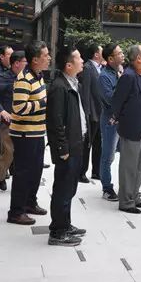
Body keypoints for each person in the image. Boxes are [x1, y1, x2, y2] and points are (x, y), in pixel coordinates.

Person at [110, 45, 141, 214]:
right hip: (131, 126)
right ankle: (126, 201)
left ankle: (134, 195)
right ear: (138, 58)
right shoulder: (128, 76)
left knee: (138, 165)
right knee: (129, 166)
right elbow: (117, 102)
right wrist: (119, 120)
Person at [47, 47, 88, 246]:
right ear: (69, 65)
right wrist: (62, 148)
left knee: (69, 188)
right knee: (63, 189)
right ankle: (58, 232)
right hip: (67, 148)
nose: (83, 61)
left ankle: (65, 224)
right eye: (79, 58)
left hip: (76, 143)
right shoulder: (59, 87)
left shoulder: (72, 83)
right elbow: (55, 121)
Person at [7, 40, 50, 226]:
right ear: (35, 60)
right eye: (45, 55)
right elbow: (19, 108)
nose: (49, 58)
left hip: (37, 132)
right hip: (24, 134)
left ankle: (30, 203)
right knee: (23, 173)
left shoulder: (38, 76)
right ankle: (16, 212)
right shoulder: (24, 79)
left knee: (36, 171)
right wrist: (44, 103)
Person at [0, 50, 27, 191]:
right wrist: (0, 110)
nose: (27, 64)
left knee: (23, 153)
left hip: (25, 122)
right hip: (9, 122)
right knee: (8, 152)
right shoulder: (4, 78)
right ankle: (1, 175)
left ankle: (19, 178)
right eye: (25, 62)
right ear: (16, 64)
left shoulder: (27, 77)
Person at [99, 44, 124, 201]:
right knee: (108, 156)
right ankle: (107, 188)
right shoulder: (104, 77)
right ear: (110, 58)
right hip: (111, 121)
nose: (122, 55)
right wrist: (122, 83)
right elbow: (110, 100)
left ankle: (126, 186)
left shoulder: (120, 71)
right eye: (119, 53)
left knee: (124, 154)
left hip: (123, 119)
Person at [78, 43, 104, 183]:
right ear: (96, 54)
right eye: (101, 50)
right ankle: (81, 172)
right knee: (87, 144)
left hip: (100, 112)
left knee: (99, 143)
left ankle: (96, 171)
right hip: (92, 112)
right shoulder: (88, 68)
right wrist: (86, 112)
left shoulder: (100, 68)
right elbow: (86, 91)